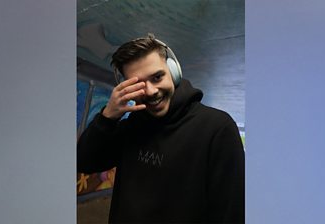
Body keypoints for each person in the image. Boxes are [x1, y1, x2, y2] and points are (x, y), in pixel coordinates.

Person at [77, 34, 244, 223]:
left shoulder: (218, 128)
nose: (150, 91)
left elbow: (231, 213)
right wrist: (107, 117)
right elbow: (84, 161)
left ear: (174, 71)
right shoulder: (132, 125)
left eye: (157, 77)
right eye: (138, 84)